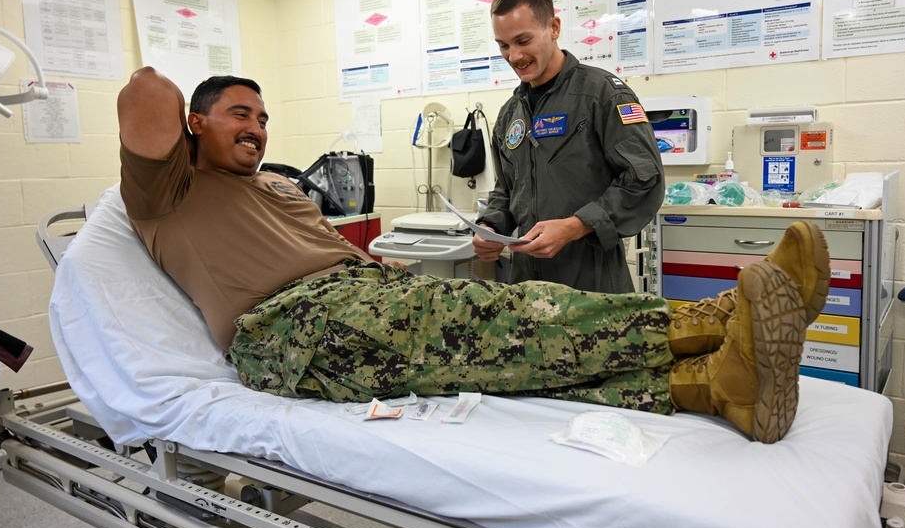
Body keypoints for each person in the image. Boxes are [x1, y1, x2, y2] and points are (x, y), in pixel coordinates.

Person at [117, 66, 831, 445]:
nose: (257, 127)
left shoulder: (278, 188)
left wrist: (374, 266)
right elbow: (145, 92)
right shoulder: (168, 190)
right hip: (289, 332)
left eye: (263, 116)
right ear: (195, 124)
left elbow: (329, 252)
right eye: (239, 114)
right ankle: (718, 315)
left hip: (350, 300)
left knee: (511, 365)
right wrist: (178, 138)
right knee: (509, 321)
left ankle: (714, 382)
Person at [473, 0, 664, 293]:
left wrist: (576, 226)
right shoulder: (510, 115)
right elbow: (507, 190)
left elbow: (644, 180)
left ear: (554, 27)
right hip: (526, 288)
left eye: (523, 40)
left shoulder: (602, 96)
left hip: (592, 283)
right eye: (504, 45)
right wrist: (490, 227)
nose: (515, 56)